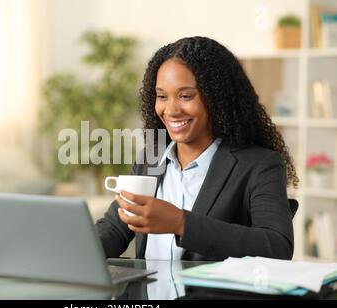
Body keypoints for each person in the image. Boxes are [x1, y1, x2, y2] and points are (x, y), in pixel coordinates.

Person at [95, 36, 298, 261]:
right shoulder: (152, 158)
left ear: (216, 98)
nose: (170, 110)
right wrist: (69, 249)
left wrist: (180, 223)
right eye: (161, 96)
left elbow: (277, 247)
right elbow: (113, 230)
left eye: (185, 96)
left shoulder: (259, 165)